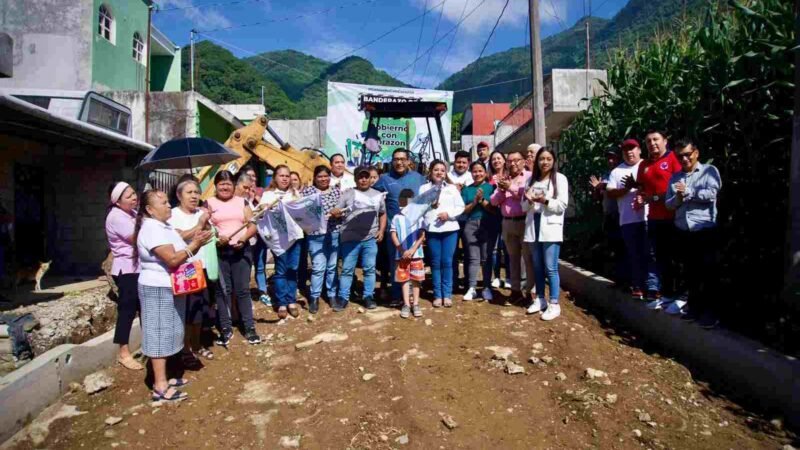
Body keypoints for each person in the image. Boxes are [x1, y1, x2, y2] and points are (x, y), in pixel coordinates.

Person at [133, 190, 212, 402]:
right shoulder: (151, 229)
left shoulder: (164, 226)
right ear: (149, 209)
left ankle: (168, 376)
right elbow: (172, 259)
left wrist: (198, 240)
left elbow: (181, 250)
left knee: (171, 331)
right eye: (163, 203)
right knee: (159, 334)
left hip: (171, 286)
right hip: (157, 287)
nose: (169, 206)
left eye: (168, 202)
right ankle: (159, 385)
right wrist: (194, 245)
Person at [665, 140, 722, 328]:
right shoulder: (675, 177)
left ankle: (710, 313)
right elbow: (669, 204)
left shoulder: (709, 171)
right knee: (690, 272)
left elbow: (711, 194)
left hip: (704, 229)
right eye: (680, 156)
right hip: (683, 230)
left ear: (696, 153)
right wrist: (679, 198)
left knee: (708, 273)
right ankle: (694, 308)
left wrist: (688, 192)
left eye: (687, 154)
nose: (684, 158)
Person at [207, 171, 260, 345]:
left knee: (243, 290)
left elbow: (252, 225)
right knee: (223, 291)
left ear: (234, 185)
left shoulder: (242, 201)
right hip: (220, 252)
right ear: (216, 186)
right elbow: (205, 227)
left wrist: (243, 238)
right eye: (221, 183)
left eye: (228, 183)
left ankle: (249, 328)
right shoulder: (208, 203)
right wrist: (216, 237)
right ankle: (225, 328)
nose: (225, 186)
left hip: (241, 249)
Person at [168, 178, 217, 365]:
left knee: (201, 310)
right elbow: (177, 235)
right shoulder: (173, 215)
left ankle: (196, 346)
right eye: (189, 192)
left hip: (203, 267)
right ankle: (185, 349)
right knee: (187, 312)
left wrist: (208, 227)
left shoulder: (201, 213)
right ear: (179, 195)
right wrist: (199, 225)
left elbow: (210, 234)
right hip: (186, 270)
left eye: (197, 192)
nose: (194, 196)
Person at [636, 130, 682, 305]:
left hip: (673, 216)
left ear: (665, 141)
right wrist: (641, 195)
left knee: (675, 257)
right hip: (654, 218)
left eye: (656, 140)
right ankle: (667, 294)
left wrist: (653, 198)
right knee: (660, 257)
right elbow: (643, 187)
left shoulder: (673, 160)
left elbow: (678, 187)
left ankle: (680, 296)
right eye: (648, 141)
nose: (652, 143)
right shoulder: (644, 165)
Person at [373, 148, 425, 302]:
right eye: (396, 159)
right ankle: (396, 295)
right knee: (396, 262)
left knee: (415, 262)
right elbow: (371, 197)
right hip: (394, 230)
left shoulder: (419, 178)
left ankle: (412, 295)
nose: (399, 162)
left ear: (409, 161)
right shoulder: (383, 179)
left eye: (403, 159)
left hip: (414, 230)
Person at [523, 147, 569, 321]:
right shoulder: (531, 181)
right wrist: (528, 201)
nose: (545, 162)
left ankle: (554, 303)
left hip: (550, 228)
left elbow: (562, 205)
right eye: (541, 159)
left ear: (554, 161)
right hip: (533, 227)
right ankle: (540, 299)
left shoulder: (560, 179)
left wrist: (545, 200)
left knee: (550, 267)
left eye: (548, 159)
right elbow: (523, 207)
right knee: (538, 266)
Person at [331, 167, 386, 311]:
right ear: (355, 179)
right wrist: (335, 212)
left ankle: (368, 296)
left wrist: (381, 230)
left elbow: (382, 213)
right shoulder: (347, 194)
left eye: (366, 177)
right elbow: (336, 211)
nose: (363, 180)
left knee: (369, 269)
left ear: (370, 178)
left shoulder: (377, 195)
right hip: (350, 238)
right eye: (360, 177)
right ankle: (343, 297)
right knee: (347, 270)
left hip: (370, 238)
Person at [606, 139, 654, 300]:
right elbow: (610, 192)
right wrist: (626, 189)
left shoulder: (647, 166)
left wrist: (638, 186)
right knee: (634, 254)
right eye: (626, 150)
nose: (629, 152)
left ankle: (653, 287)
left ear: (639, 150)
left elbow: (656, 187)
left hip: (649, 217)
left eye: (632, 149)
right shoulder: (617, 172)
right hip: (627, 220)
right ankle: (638, 286)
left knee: (651, 253)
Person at [104, 182, 143, 371]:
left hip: (140, 267)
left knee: (145, 308)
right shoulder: (116, 217)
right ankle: (123, 352)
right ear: (117, 202)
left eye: (134, 193)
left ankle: (149, 345)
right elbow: (136, 238)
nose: (134, 198)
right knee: (127, 310)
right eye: (128, 196)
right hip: (127, 269)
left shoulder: (133, 213)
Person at [490, 150, 534, 304]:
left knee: (528, 259)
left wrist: (510, 188)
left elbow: (527, 195)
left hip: (525, 221)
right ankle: (515, 291)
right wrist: (502, 189)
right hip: (507, 222)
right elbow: (494, 201)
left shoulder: (529, 177)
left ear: (523, 162)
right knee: (513, 258)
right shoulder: (504, 178)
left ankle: (531, 292)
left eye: (517, 160)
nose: (513, 163)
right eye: (510, 161)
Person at [259, 165, 303, 319]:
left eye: (287, 176)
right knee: (281, 271)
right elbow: (259, 214)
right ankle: (282, 302)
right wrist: (265, 207)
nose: (284, 178)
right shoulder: (268, 195)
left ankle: (291, 301)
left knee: (293, 269)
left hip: (295, 237)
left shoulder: (294, 193)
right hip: (279, 240)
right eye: (281, 175)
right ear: (275, 178)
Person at [420, 160, 465, 308]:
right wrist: (429, 205)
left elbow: (460, 207)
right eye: (436, 170)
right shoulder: (423, 188)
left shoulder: (452, 188)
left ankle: (447, 294)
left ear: (445, 173)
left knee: (447, 261)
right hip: (432, 230)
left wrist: (449, 214)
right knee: (435, 262)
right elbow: (418, 209)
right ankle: (437, 295)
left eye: (442, 170)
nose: (439, 172)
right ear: (430, 172)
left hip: (450, 229)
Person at [300, 166, 343, 314]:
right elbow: (301, 212)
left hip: (334, 232)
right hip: (315, 235)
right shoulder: (307, 192)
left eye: (326, 176)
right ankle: (314, 297)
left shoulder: (337, 191)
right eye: (320, 176)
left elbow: (343, 209)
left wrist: (338, 213)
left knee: (332, 267)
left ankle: (332, 295)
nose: (323, 179)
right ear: (314, 177)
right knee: (318, 267)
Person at [589, 149, 626, 286]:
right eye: (609, 158)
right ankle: (618, 278)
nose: (611, 161)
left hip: (620, 215)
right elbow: (598, 197)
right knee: (613, 247)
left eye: (613, 158)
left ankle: (627, 280)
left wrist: (602, 186)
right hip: (608, 215)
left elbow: (616, 189)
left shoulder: (622, 172)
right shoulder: (605, 175)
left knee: (623, 247)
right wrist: (597, 189)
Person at [460, 161, 496, 301]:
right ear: (471, 173)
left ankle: (487, 287)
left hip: (487, 223)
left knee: (486, 258)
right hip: (470, 224)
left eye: (480, 171)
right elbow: (463, 210)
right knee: (473, 258)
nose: (478, 174)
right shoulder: (467, 190)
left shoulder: (491, 188)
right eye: (475, 171)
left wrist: (482, 201)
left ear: (486, 173)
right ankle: (472, 288)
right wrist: (475, 201)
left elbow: (493, 210)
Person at [390, 189, 426, 318]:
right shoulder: (396, 217)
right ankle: (406, 304)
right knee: (404, 279)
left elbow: (422, 235)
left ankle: (415, 303)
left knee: (416, 279)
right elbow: (393, 235)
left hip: (416, 254)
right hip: (401, 255)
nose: (406, 201)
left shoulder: (419, 216)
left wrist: (412, 250)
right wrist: (401, 250)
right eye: (403, 198)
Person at [488, 151, 510, 289]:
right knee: (495, 249)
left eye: (499, 158)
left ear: (504, 160)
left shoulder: (510, 176)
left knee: (508, 248)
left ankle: (508, 277)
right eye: (494, 159)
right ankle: (496, 276)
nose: (496, 161)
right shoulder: (489, 178)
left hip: (508, 215)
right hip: (493, 215)